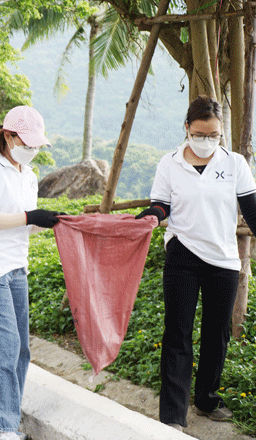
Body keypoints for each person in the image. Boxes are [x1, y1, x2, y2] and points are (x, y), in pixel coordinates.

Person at [136, 95, 256, 431]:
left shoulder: (235, 164)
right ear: (187, 128)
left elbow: (252, 211)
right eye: (200, 134)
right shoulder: (169, 163)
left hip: (223, 259)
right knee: (178, 333)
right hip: (183, 253)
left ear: (221, 134)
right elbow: (162, 205)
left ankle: (206, 399)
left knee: (217, 334)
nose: (206, 141)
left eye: (214, 135)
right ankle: (173, 416)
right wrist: (151, 216)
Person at [0, 106, 65, 440]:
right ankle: (2, 428)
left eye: (37, 145)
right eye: (27, 142)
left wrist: (49, 221)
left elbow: (23, 225)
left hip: (16, 269)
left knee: (20, 349)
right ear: (8, 136)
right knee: (3, 347)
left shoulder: (28, 175)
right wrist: (29, 216)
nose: (33, 149)